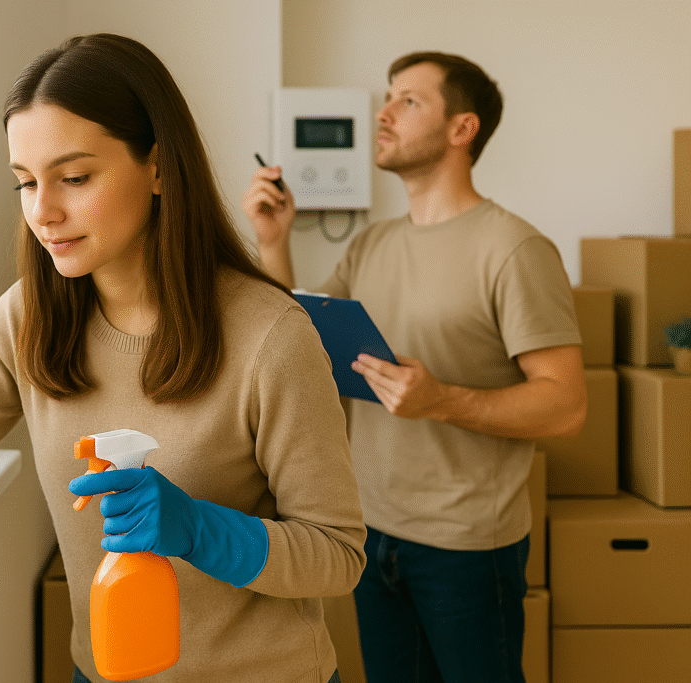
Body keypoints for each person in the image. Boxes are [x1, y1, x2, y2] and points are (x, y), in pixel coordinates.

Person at [0, 34, 365, 683]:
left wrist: (199, 528)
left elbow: (337, 552)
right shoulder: (29, 316)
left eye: (75, 177)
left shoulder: (272, 335)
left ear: (161, 167)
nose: (43, 211)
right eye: (25, 182)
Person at [243, 52, 587, 683]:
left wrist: (443, 401)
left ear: (462, 129)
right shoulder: (371, 243)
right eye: (387, 96)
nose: (385, 112)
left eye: (409, 100)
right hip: (371, 534)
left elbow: (566, 404)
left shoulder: (516, 249)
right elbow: (297, 342)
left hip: (467, 548)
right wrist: (273, 242)